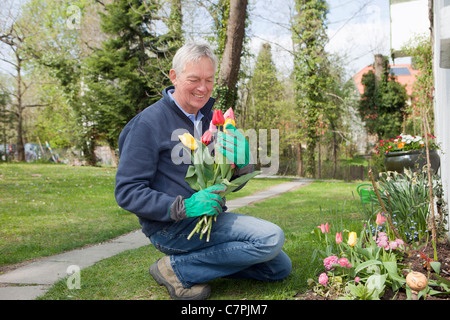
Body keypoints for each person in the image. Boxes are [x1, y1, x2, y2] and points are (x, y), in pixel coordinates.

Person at [114, 41, 291, 300]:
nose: (203, 88)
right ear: (174, 76)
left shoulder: (212, 120)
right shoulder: (148, 124)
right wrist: (184, 206)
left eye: (209, 80)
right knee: (270, 238)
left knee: (277, 268)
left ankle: (198, 264)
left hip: (210, 221)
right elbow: (127, 191)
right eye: (194, 79)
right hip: (171, 228)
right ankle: (176, 270)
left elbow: (223, 180)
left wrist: (243, 165)